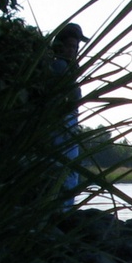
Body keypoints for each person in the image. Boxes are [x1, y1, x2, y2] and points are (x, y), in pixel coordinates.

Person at [49, 23, 87, 202]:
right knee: (65, 173)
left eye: (76, 47)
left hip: (67, 130)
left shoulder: (67, 69)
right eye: (70, 46)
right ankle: (62, 212)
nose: (73, 51)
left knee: (68, 173)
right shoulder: (60, 67)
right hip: (61, 130)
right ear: (59, 45)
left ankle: (64, 210)